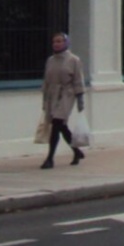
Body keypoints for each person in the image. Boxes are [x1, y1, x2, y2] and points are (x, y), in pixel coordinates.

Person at [41, 31, 86, 169]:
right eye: (55, 41)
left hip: (67, 94)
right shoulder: (50, 60)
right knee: (61, 126)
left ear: (66, 42)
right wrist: (44, 100)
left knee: (56, 124)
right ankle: (76, 151)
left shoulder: (74, 60)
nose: (57, 44)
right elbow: (46, 81)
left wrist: (80, 97)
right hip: (52, 95)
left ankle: (50, 158)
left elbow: (78, 79)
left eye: (60, 41)